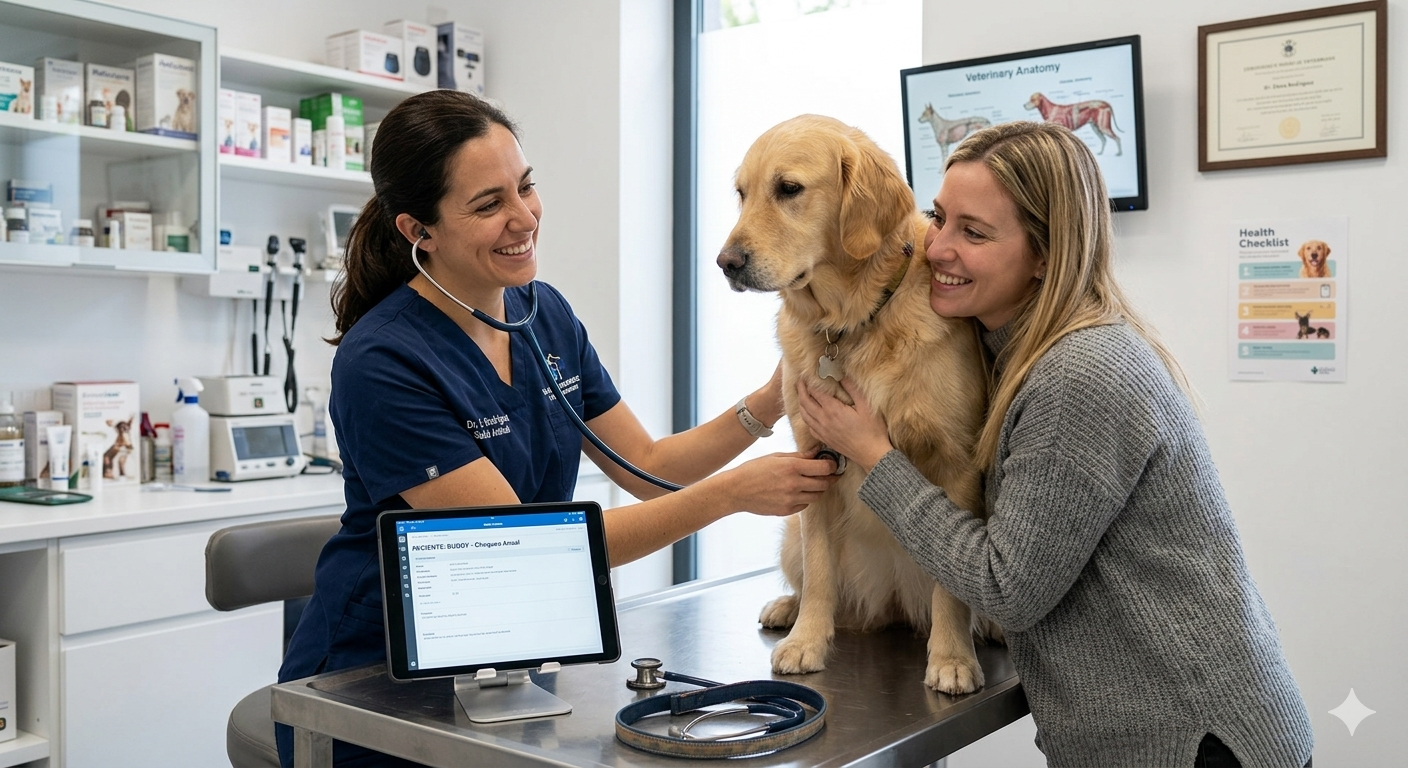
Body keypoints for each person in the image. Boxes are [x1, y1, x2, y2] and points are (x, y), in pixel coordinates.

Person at [276, 90, 838, 767]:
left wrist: (777, 395)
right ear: (417, 230)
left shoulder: (543, 317)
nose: (523, 218)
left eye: (526, 186)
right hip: (376, 688)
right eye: (489, 205)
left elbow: (651, 464)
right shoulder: (383, 362)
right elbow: (521, 551)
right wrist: (731, 495)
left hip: (513, 670)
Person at [795, 121, 1313, 768]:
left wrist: (874, 457)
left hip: (1193, 743)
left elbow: (1007, 587)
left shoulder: (1080, 374)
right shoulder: (1013, 346)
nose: (933, 248)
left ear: (1044, 254)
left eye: (973, 232)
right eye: (938, 218)